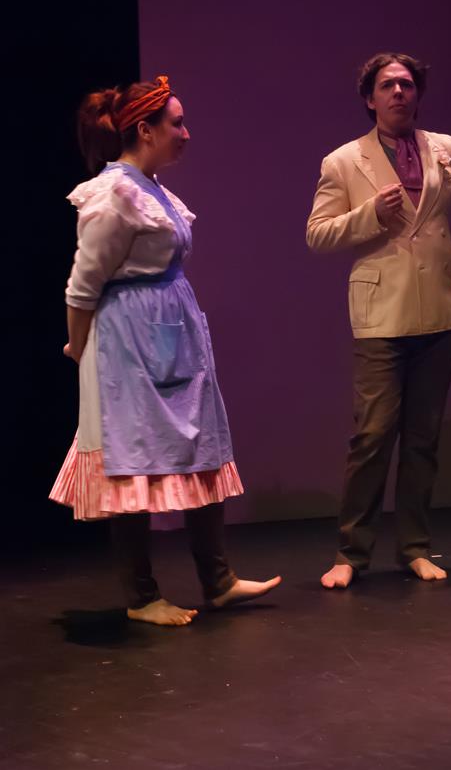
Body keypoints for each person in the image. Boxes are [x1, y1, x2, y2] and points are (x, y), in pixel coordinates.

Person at [50, 75, 281, 624]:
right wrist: (78, 349)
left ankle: (218, 580)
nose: (186, 132)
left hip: (170, 332)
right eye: (176, 123)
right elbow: (82, 286)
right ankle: (140, 597)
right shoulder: (114, 195)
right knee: (130, 464)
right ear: (144, 130)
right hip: (126, 345)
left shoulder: (151, 189)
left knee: (201, 446)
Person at [306, 53, 451, 589]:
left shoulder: (446, 149)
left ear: (418, 94)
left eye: (407, 84)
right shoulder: (343, 161)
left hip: (438, 307)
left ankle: (415, 546)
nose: (399, 92)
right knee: (372, 436)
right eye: (387, 85)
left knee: (423, 437)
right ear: (369, 97)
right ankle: (351, 553)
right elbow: (317, 233)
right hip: (381, 312)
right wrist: (369, 215)